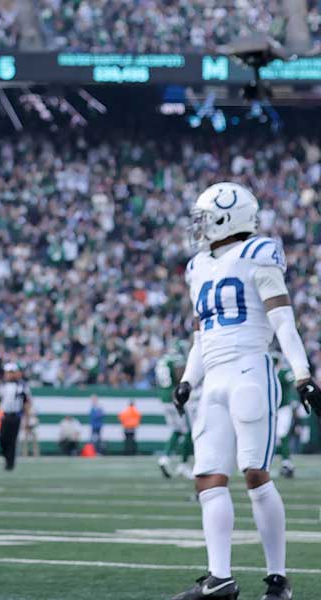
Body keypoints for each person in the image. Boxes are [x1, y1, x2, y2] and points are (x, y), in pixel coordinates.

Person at [169, 182, 321, 600]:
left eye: (205, 218)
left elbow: (282, 320)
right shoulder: (197, 265)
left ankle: (277, 578)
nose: (199, 226)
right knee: (208, 478)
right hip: (213, 378)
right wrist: (187, 379)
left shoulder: (259, 252)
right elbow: (201, 336)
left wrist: (302, 374)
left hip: (250, 369)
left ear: (225, 216)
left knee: (255, 473)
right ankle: (220, 578)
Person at [156, 350, 189, 476]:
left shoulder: (161, 360)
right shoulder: (175, 359)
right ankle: (184, 464)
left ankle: (164, 458)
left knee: (177, 430)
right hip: (174, 397)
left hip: (163, 398)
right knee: (187, 431)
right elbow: (178, 374)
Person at [0, 362, 28, 471]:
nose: (9, 375)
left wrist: (26, 417)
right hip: (5, 415)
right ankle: (7, 458)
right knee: (2, 439)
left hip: (16, 415)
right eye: (7, 372)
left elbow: (26, 403)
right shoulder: (2, 385)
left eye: (11, 372)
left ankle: (10, 463)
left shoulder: (21, 386)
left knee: (12, 440)